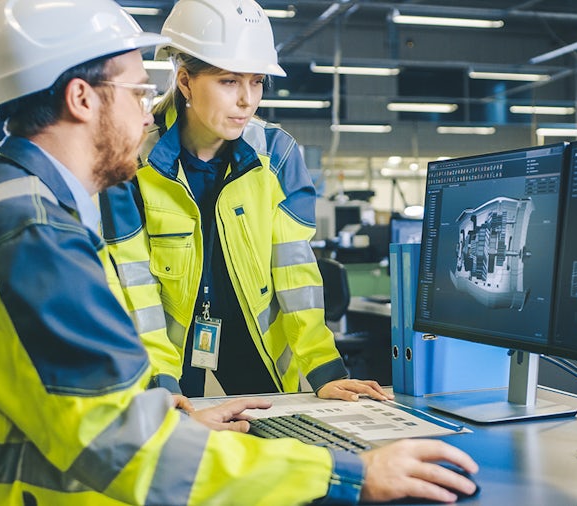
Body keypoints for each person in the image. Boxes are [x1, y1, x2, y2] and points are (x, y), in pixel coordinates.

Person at [0, 0, 478, 504]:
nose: (149, 115)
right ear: (81, 98)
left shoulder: (3, 207)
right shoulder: (31, 238)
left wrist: (169, 416)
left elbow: (89, 415)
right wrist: (346, 475)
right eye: (139, 93)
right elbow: (130, 449)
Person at [100, 0, 389, 401]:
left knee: (274, 449)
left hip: (260, 350)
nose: (247, 100)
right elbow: (135, 284)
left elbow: (295, 272)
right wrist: (160, 384)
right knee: (178, 452)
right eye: (229, 82)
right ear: (184, 81)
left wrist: (324, 369)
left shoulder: (278, 155)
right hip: (167, 350)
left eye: (256, 82)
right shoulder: (133, 163)